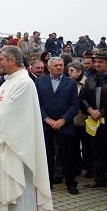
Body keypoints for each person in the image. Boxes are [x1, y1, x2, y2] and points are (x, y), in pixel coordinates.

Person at [0, 46, 53, 211]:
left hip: (17, 146)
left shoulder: (24, 82)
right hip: (2, 141)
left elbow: (12, 112)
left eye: (0, 59)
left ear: (12, 60)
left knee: (19, 186)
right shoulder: (7, 82)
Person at [35, 57, 79, 194]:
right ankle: (47, 183)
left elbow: (74, 106)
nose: (60, 67)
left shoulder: (71, 83)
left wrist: (62, 120)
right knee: (47, 155)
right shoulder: (39, 81)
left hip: (64, 125)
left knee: (66, 156)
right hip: (46, 125)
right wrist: (47, 119)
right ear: (49, 67)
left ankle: (70, 183)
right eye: (56, 65)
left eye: (61, 65)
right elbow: (37, 102)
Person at [79, 49, 107, 190]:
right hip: (94, 122)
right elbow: (82, 97)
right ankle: (99, 180)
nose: (97, 64)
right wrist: (90, 110)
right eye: (96, 62)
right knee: (97, 151)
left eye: (100, 62)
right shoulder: (91, 78)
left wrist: (104, 113)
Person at [67, 62, 93, 178]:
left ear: (79, 72)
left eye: (72, 70)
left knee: (87, 146)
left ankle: (89, 169)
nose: (69, 73)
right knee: (74, 147)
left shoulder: (87, 82)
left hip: (85, 120)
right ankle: (76, 168)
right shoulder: (68, 83)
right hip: (72, 121)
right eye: (68, 70)